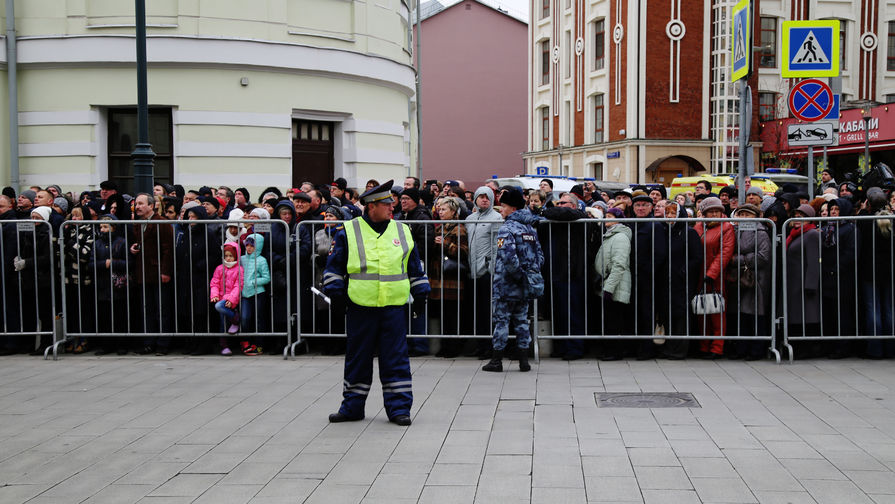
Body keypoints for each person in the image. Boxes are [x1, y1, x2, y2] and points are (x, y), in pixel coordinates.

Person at [322, 180, 430, 426]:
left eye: (392, 202)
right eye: (387, 203)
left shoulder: (403, 231)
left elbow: (414, 267)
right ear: (371, 206)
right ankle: (352, 407)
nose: (393, 207)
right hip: (361, 306)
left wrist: (421, 293)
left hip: (394, 307)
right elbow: (334, 268)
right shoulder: (348, 231)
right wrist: (336, 295)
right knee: (358, 359)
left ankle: (399, 409)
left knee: (396, 359)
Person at [482, 187, 543, 372]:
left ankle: (496, 361)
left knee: (502, 321)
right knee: (522, 321)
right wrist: (530, 275)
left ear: (513, 209)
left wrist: (519, 277)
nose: (501, 209)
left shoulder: (506, 229)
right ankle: (524, 361)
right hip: (525, 285)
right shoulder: (530, 228)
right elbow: (539, 255)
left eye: (504, 206)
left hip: (506, 284)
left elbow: (509, 258)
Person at [130, 193, 175, 355]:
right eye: (137, 204)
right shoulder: (137, 223)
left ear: (151, 205)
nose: (138, 207)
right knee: (147, 309)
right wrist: (133, 248)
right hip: (143, 272)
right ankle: (149, 342)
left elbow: (168, 249)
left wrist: (165, 271)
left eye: (141, 204)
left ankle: (163, 343)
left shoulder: (161, 223)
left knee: (162, 310)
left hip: (158, 272)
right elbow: (138, 242)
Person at [693, 196, 734, 359]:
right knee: (702, 312)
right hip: (698, 275)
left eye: (717, 211)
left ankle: (717, 347)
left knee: (717, 313)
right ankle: (704, 346)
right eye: (711, 211)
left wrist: (711, 274)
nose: (714, 214)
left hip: (716, 277)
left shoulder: (726, 228)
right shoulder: (698, 227)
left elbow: (725, 253)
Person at [729, 204, 772, 360]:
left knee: (754, 314)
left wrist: (739, 259)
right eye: (741, 214)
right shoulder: (734, 231)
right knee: (741, 315)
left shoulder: (760, 232)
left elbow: (763, 256)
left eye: (748, 214)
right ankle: (741, 348)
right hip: (738, 279)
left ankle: (756, 349)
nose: (744, 218)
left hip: (756, 279)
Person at [465, 186, 503, 358]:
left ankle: (489, 346)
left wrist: (493, 269)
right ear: (475, 200)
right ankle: (480, 344)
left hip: (487, 271)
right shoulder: (469, 219)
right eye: (480, 197)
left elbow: (496, 246)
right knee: (475, 311)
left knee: (488, 311)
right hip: (472, 270)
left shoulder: (496, 218)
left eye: (487, 197)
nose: (484, 200)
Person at [429, 196, 469, 357]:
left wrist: (446, 244)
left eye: (444, 209)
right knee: (443, 315)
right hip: (439, 278)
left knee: (452, 316)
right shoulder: (439, 227)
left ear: (453, 212)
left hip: (451, 279)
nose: (440, 212)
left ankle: (452, 347)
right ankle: (444, 346)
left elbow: (464, 252)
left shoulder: (459, 228)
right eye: (439, 209)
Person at [593, 207, 632, 361]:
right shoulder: (610, 235)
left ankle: (615, 351)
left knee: (614, 319)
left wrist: (609, 288)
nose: (606, 219)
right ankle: (610, 350)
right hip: (608, 283)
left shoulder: (620, 237)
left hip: (615, 284)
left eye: (610, 216)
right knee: (610, 319)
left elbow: (619, 264)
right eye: (606, 216)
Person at [785, 204, 822, 358]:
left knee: (807, 316)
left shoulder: (812, 234)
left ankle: (807, 349)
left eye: (802, 216)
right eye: (796, 215)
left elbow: (814, 261)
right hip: (794, 282)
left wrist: (810, 284)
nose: (798, 219)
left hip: (804, 283)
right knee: (797, 316)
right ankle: (799, 348)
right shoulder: (794, 234)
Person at [92, 215, 130, 356]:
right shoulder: (97, 244)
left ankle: (122, 344)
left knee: (119, 316)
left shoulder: (121, 242)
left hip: (118, 285)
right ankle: (106, 345)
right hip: (102, 284)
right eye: (101, 227)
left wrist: (113, 263)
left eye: (106, 227)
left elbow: (128, 263)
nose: (103, 230)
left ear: (113, 227)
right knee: (104, 316)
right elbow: (91, 263)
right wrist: (104, 263)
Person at [210, 242, 244, 355]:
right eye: (226, 256)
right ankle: (224, 346)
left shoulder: (239, 269)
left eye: (231, 256)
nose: (228, 258)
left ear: (236, 256)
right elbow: (214, 283)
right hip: (221, 298)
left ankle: (235, 319)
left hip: (231, 300)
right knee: (222, 323)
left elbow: (238, 286)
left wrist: (231, 299)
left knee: (218, 306)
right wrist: (214, 295)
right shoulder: (219, 268)